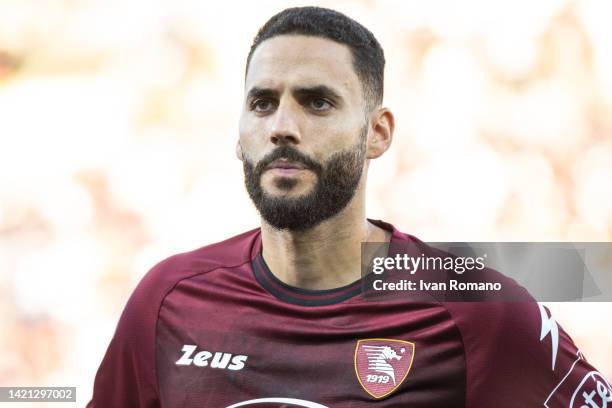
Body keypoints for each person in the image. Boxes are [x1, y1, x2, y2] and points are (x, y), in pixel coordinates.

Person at [88, 6, 611, 407]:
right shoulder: (167, 301)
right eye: (262, 103)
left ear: (377, 133)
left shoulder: (478, 310)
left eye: (317, 102)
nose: (281, 127)